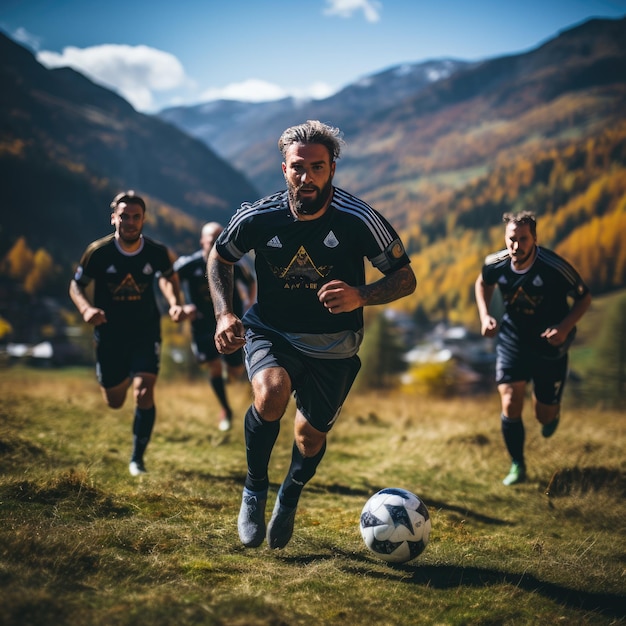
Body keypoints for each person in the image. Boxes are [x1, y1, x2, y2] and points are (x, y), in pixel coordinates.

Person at [208, 120, 417, 549]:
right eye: (298, 167)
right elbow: (220, 257)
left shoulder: (358, 219)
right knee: (270, 393)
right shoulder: (257, 217)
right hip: (272, 331)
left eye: (317, 167)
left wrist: (361, 294)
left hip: (335, 346)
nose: (307, 178)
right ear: (283, 168)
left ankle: (289, 495)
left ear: (332, 169)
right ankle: (254, 491)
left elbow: (405, 277)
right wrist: (224, 314)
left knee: (309, 436)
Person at [69, 190, 185, 476]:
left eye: (136, 217)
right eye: (124, 216)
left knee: (144, 392)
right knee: (115, 401)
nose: (130, 222)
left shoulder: (156, 252)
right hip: (109, 336)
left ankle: (137, 459)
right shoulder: (98, 252)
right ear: (114, 219)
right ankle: (114, 385)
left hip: (146, 333)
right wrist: (86, 310)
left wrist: (174, 304)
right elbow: (76, 286)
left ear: (144, 219)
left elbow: (169, 278)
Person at [474, 211, 591, 486]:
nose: (516, 246)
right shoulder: (496, 263)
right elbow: (483, 282)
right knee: (511, 400)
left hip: (550, 345)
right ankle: (518, 464)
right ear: (505, 238)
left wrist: (563, 328)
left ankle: (553, 413)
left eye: (523, 239)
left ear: (535, 239)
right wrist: (485, 315)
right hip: (512, 340)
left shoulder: (553, 267)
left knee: (543, 415)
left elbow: (584, 298)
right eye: (512, 239)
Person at [174, 222, 256, 431]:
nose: (215, 244)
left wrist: (248, 304)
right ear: (202, 241)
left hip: (230, 322)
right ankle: (225, 410)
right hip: (202, 323)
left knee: (236, 370)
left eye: (220, 239)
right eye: (211, 240)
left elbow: (251, 282)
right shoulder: (189, 265)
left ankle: (233, 376)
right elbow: (169, 278)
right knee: (214, 365)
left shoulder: (233, 264)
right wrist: (179, 305)